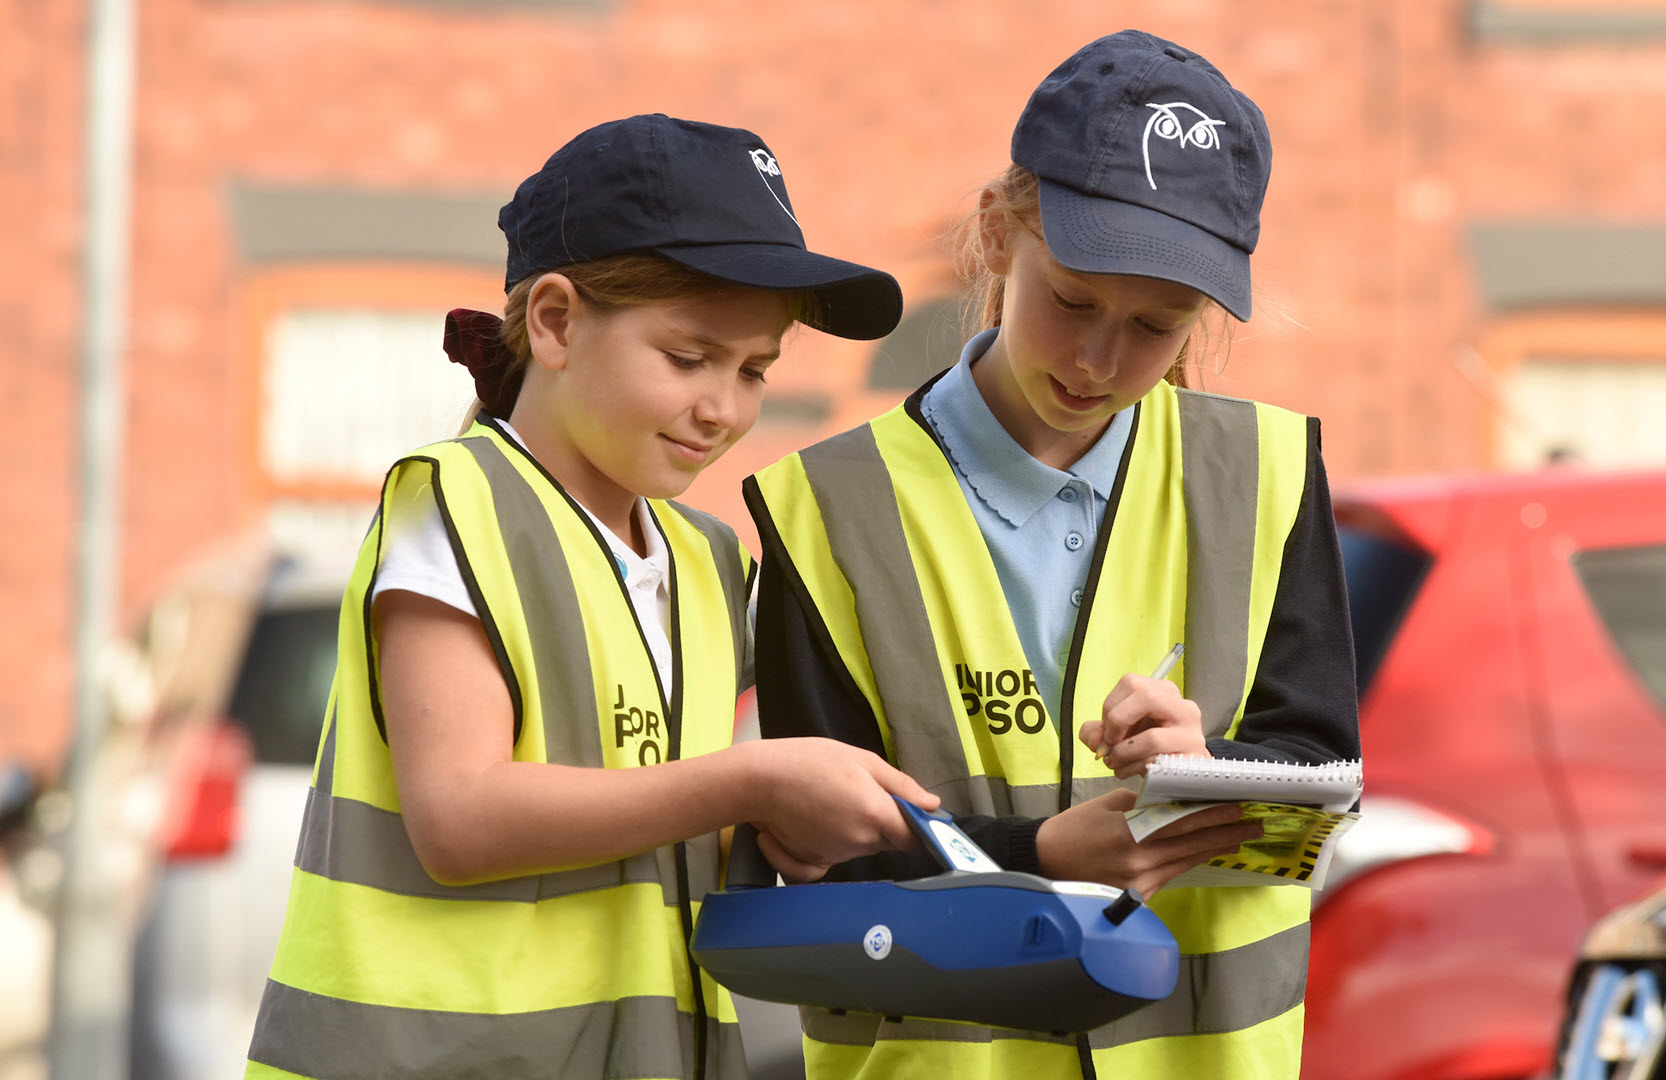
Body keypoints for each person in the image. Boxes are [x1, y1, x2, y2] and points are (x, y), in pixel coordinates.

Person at [244, 114, 940, 1080]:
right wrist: (750, 783)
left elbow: (643, 807)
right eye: (689, 358)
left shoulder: (706, 559)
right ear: (557, 322)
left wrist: (776, 830)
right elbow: (461, 819)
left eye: (753, 371)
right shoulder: (457, 502)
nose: (724, 408)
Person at [746, 31, 1361, 1080]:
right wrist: (1036, 861)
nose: (1098, 359)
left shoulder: (1267, 473)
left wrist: (1205, 765)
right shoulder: (823, 509)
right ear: (998, 231)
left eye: (1157, 327)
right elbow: (816, 868)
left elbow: (1321, 798)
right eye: (1071, 300)